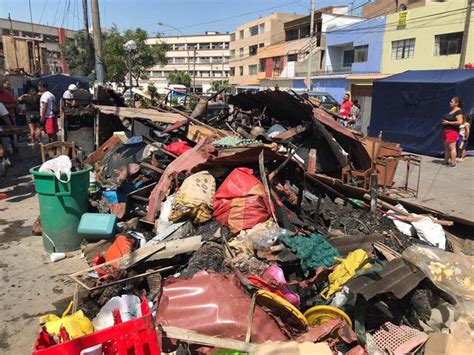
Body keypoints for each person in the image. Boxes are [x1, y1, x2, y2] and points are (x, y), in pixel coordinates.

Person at [441, 97, 463, 167]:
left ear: (456, 103)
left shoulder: (458, 111)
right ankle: (446, 160)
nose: (450, 103)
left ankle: (453, 162)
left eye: (451, 101)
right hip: (446, 130)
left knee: (452, 147)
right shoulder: (451, 110)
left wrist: (448, 122)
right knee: (446, 146)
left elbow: (460, 122)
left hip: (452, 131)